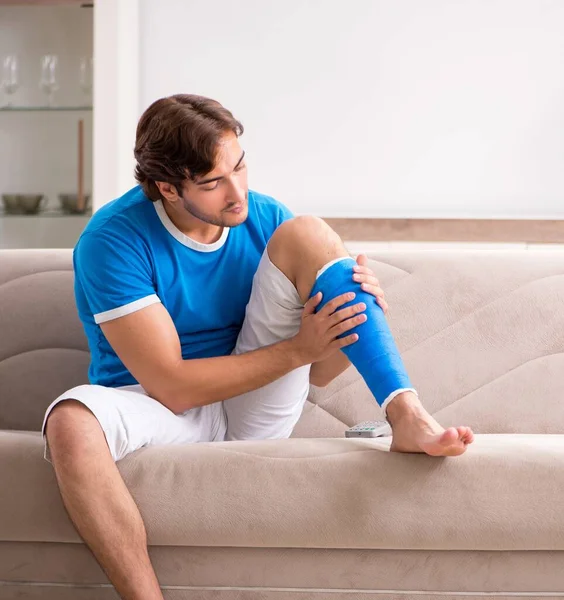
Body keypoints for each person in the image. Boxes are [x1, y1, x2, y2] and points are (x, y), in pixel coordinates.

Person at [42, 94, 474, 600]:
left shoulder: (266, 219)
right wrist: (298, 350)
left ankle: (407, 414)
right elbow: (173, 388)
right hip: (156, 405)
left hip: (255, 405)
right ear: (167, 188)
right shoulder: (113, 239)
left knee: (309, 233)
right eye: (212, 182)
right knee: (69, 422)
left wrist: (350, 315)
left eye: (239, 167)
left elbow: (319, 373)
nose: (237, 193)